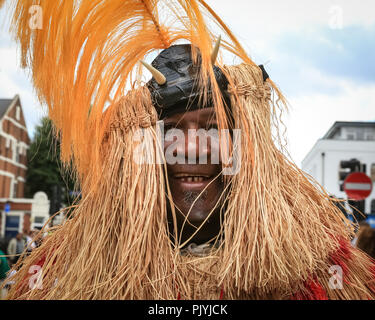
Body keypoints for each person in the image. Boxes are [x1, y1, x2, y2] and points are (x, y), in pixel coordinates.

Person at [2, 0, 375, 300]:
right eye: (172, 132)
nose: (192, 146)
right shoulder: (70, 275)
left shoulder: (322, 271)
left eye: (214, 127)